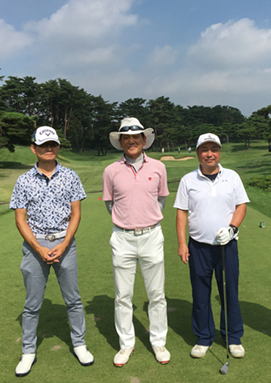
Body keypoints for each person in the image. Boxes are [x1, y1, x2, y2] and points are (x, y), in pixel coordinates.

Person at [9, 126, 94, 377]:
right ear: (33, 148)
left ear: (57, 147)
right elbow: (20, 219)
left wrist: (64, 244)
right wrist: (38, 248)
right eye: (43, 145)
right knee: (32, 303)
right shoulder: (23, 180)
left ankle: (79, 344)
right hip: (34, 246)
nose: (49, 148)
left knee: (73, 299)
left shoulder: (70, 176)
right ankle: (28, 351)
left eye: (53, 144)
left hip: (64, 244)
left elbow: (76, 214)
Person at [174, 133, 250, 359]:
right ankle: (203, 337)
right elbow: (181, 212)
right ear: (198, 153)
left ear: (219, 152)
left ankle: (233, 337)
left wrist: (232, 228)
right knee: (200, 293)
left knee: (229, 292)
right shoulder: (188, 180)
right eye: (205, 150)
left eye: (214, 149)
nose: (210, 154)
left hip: (227, 246)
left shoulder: (232, 177)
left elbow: (241, 205)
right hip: (198, 246)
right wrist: (182, 243)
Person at [102, 117, 171, 367]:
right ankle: (126, 344)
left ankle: (158, 341)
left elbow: (161, 200)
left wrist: (146, 220)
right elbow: (110, 205)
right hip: (122, 238)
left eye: (136, 137)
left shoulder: (158, 167)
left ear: (144, 140)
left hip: (152, 235)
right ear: (120, 142)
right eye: (126, 138)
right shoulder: (111, 171)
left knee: (156, 294)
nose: (131, 141)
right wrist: (128, 222)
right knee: (123, 295)